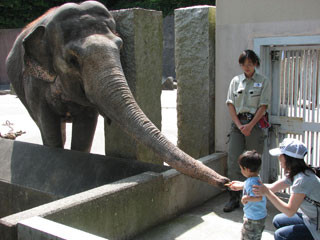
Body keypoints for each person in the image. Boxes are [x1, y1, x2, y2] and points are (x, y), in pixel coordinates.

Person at [230, 138, 320, 240]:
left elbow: (289, 211)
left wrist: (267, 193)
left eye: (281, 155)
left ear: (288, 158)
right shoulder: (298, 172)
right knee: (278, 220)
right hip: (309, 217)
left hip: (317, 224)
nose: (279, 158)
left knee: (280, 235)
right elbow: (272, 187)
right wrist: (243, 185)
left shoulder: (302, 180)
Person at [224, 49, 271, 212]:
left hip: (255, 125)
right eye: (243, 64)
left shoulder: (263, 81)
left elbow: (263, 106)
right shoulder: (236, 81)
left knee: (253, 163)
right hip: (238, 125)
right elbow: (230, 104)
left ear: (256, 64)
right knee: (233, 161)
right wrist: (239, 125)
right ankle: (233, 198)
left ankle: (253, 196)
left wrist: (250, 126)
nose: (247, 67)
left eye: (250, 64)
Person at [238, 150, 267, 240]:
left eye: (241, 168)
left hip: (253, 219)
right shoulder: (256, 178)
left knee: (248, 237)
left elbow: (258, 197)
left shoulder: (252, 182)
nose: (241, 171)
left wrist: (246, 197)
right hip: (258, 215)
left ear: (247, 169)